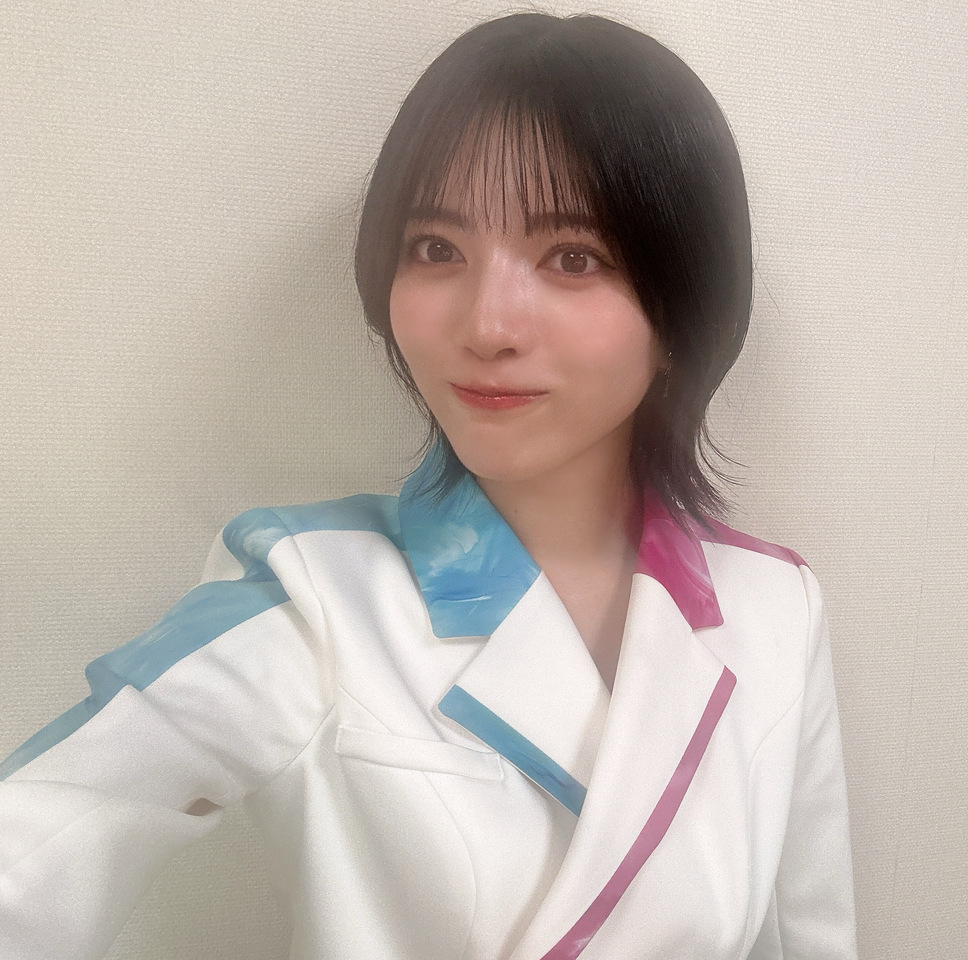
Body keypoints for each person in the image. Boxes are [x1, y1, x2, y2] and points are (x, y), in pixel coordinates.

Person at [0, 13, 856, 960]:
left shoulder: (777, 611)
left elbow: (808, 939)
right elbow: (36, 847)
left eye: (573, 258)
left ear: (682, 310)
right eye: (438, 249)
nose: (487, 325)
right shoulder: (313, 603)